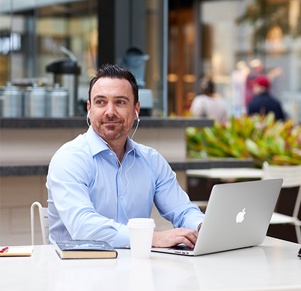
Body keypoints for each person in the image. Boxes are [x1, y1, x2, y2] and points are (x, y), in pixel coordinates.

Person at [46, 64, 204, 249]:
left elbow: (182, 210)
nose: (110, 112)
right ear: (89, 108)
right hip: (78, 270)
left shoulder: (151, 160)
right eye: (100, 102)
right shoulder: (70, 158)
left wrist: (202, 227)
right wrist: (152, 238)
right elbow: (83, 227)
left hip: (137, 269)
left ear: (136, 109)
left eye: (120, 102)